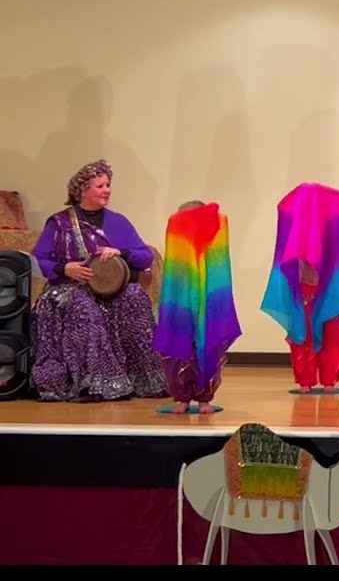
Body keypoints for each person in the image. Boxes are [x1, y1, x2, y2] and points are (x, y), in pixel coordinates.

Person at [29, 159, 166, 402]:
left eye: (108, 185)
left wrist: (121, 252)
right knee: (84, 307)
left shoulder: (118, 222)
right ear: (83, 190)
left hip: (110, 292)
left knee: (135, 297)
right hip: (69, 289)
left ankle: (146, 379)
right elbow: (37, 261)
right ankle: (97, 383)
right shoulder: (59, 223)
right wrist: (64, 269)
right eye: (100, 186)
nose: (107, 190)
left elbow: (144, 257)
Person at [261, 182, 339, 393]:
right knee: (303, 335)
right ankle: (308, 380)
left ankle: (327, 380)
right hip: (302, 293)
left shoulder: (328, 233)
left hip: (324, 293)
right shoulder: (296, 233)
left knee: (328, 335)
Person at [153, 200, 241, 414]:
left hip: (208, 304)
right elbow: (175, 274)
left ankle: (204, 399)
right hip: (182, 305)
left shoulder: (213, 237)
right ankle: (182, 397)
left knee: (209, 348)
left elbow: (218, 269)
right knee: (180, 350)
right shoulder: (179, 245)